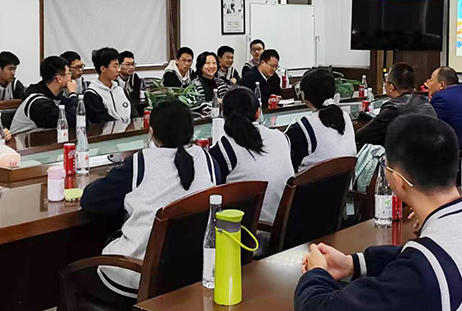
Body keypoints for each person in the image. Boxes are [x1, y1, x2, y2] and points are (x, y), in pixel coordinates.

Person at [294, 114, 462, 311]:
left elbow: (321, 306)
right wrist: (353, 263)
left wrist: (316, 273)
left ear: (397, 180)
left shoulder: (427, 269)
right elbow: (417, 257)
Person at [80, 99, 218, 306]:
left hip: (138, 277)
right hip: (191, 273)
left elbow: (90, 201)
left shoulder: (140, 163)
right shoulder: (207, 160)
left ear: (151, 132)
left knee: (74, 273)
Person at [209, 87, 294, 224]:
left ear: (223, 114)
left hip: (247, 231)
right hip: (286, 224)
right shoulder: (282, 138)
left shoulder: (223, 150)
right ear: (258, 112)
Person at [285, 68, 356, 172]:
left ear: (304, 95)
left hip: (312, 182)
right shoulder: (345, 116)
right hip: (345, 181)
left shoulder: (304, 127)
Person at [355, 63, 435, 148]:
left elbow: (361, 135)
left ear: (391, 87)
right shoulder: (425, 102)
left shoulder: (393, 108)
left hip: (406, 155)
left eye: (385, 81)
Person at [10, 56, 79, 134]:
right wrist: (72, 93)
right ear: (59, 79)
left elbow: (78, 116)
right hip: (21, 140)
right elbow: (70, 120)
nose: (71, 77)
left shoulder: (56, 96)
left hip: (42, 139)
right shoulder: (38, 102)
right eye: (69, 73)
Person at [85, 47, 133, 124]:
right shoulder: (92, 93)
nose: (118, 70)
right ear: (103, 69)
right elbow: (101, 120)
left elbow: (133, 113)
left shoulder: (120, 89)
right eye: (115, 66)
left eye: (119, 66)